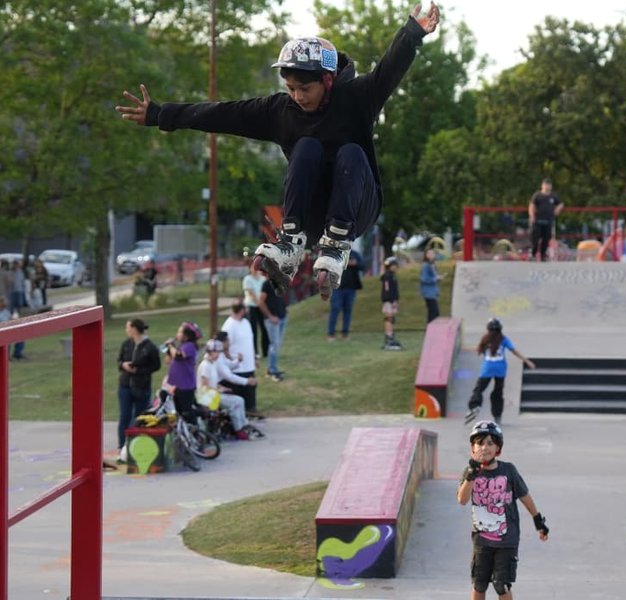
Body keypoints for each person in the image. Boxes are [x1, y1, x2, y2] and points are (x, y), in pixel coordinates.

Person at [115, 4, 440, 301]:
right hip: (312, 214)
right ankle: (291, 241)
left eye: (305, 89)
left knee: (351, 152)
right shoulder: (280, 112)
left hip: (358, 208)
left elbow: (389, 70)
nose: (298, 97)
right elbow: (224, 113)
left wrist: (412, 31)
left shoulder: (358, 97)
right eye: (291, 89)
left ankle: (338, 243)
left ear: (327, 80)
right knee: (306, 147)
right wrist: (161, 115)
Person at [456, 421, 549, 600]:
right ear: (473, 448)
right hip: (481, 540)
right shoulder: (470, 473)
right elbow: (462, 499)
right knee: (479, 584)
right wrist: (472, 474)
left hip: (507, 540)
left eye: (490, 443)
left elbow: (524, 496)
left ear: (498, 448)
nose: (485, 447)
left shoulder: (508, 470)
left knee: (502, 585)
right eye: (480, 443)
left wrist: (538, 520)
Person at [465, 319, 536, 425]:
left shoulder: (485, 339)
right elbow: (514, 351)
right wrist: (527, 361)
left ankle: (475, 407)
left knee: (479, 390)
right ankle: (497, 416)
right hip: (500, 370)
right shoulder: (504, 339)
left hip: (487, 369)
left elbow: (478, 351)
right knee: (498, 393)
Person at [116, 318, 161, 462]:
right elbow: (119, 360)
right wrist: (123, 365)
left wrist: (139, 370)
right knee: (125, 416)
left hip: (141, 386)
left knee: (139, 417)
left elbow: (156, 366)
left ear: (135, 329)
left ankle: (136, 445)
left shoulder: (150, 347)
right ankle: (122, 446)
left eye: (128, 327)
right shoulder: (126, 344)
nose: (127, 330)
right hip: (125, 386)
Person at [196, 340, 250, 441]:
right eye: (217, 352)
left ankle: (244, 425)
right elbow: (205, 386)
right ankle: (238, 429)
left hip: (213, 394)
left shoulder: (212, 364)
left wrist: (223, 388)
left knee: (240, 400)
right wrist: (218, 390)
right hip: (207, 397)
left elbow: (214, 383)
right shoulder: (205, 366)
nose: (218, 355)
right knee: (236, 402)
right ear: (210, 352)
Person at [220, 302, 259, 411]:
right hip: (238, 367)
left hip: (249, 365)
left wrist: (254, 357)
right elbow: (224, 346)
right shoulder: (229, 326)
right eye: (245, 309)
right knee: (241, 393)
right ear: (241, 311)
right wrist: (232, 358)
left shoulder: (246, 322)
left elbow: (250, 341)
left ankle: (251, 409)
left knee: (251, 389)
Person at [163, 321, 202, 422]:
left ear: (187, 335)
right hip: (177, 385)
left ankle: (198, 426)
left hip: (186, 385)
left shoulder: (190, 346)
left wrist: (171, 346)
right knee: (179, 411)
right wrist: (168, 349)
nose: (177, 334)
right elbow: (167, 361)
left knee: (187, 412)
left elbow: (178, 356)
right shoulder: (181, 346)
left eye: (180, 332)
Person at [327, 248, 364, 341]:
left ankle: (345, 334)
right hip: (337, 288)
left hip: (351, 288)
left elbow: (363, 266)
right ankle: (331, 334)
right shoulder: (336, 253)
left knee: (348, 311)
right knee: (335, 310)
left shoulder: (355, 254)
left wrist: (355, 264)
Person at [259, 275, 288, 381]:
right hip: (272, 320)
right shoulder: (266, 284)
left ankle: (272, 368)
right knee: (274, 344)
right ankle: (272, 370)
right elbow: (260, 302)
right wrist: (270, 316)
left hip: (282, 317)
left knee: (277, 345)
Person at [528, 178, 563, 262]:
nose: (547, 186)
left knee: (546, 238)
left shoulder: (553, 196)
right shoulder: (537, 195)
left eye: (549, 185)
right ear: (542, 185)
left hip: (548, 220)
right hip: (537, 220)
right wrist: (532, 216)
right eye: (546, 184)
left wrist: (557, 210)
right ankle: (533, 254)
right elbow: (531, 205)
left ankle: (543, 255)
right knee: (535, 238)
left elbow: (561, 204)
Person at [243, 261, 268, 358]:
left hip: (261, 306)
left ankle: (265, 351)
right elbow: (251, 293)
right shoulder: (247, 279)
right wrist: (259, 303)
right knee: (253, 330)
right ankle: (255, 352)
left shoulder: (263, 279)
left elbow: (265, 292)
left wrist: (262, 305)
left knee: (264, 329)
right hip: (252, 306)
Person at [380, 256, 402, 350]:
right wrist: (391, 300)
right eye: (394, 265)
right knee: (389, 318)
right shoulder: (387, 276)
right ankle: (389, 337)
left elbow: (394, 290)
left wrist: (396, 300)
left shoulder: (392, 276)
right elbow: (387, 290)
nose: (395, 267)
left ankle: (391, 335)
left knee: (391, 318)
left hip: (392, 300)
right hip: (388, 300)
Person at [419, 247, 444, 323]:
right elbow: (423, 279)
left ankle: (432, 330)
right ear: (426, 255)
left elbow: (441, 256)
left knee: (434, 312)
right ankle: (431, 330)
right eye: (430, 253)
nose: (432, 255)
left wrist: (438, 277)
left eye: (433, 253)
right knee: (433, 312)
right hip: (428, 293)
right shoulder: (426, 266)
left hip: (433, 292)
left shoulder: (432, 265)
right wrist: (435, 278)